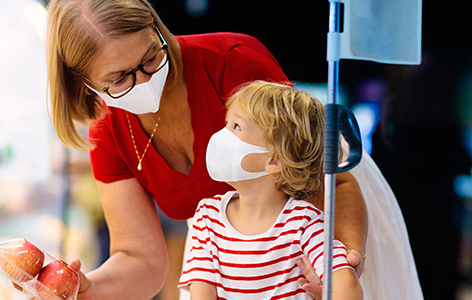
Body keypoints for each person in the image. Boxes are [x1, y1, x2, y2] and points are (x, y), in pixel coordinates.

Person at [45, 0, 367, 298]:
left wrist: (342, 264)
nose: (143, 81)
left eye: (151, 59)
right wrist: (86, 290)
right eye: (119, 79)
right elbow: (138, 257)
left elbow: (331, 181)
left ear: (158, 30)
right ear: (82, 82)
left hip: (330, 229)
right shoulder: (108, 132)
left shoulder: (231, 61)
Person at [177, 81, 362, 299]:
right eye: (226, 123)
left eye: (236, 127)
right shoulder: (207, 216)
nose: (220, 135)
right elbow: (201, 293)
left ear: (274, 160)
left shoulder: (304, 222)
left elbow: (347, 286)